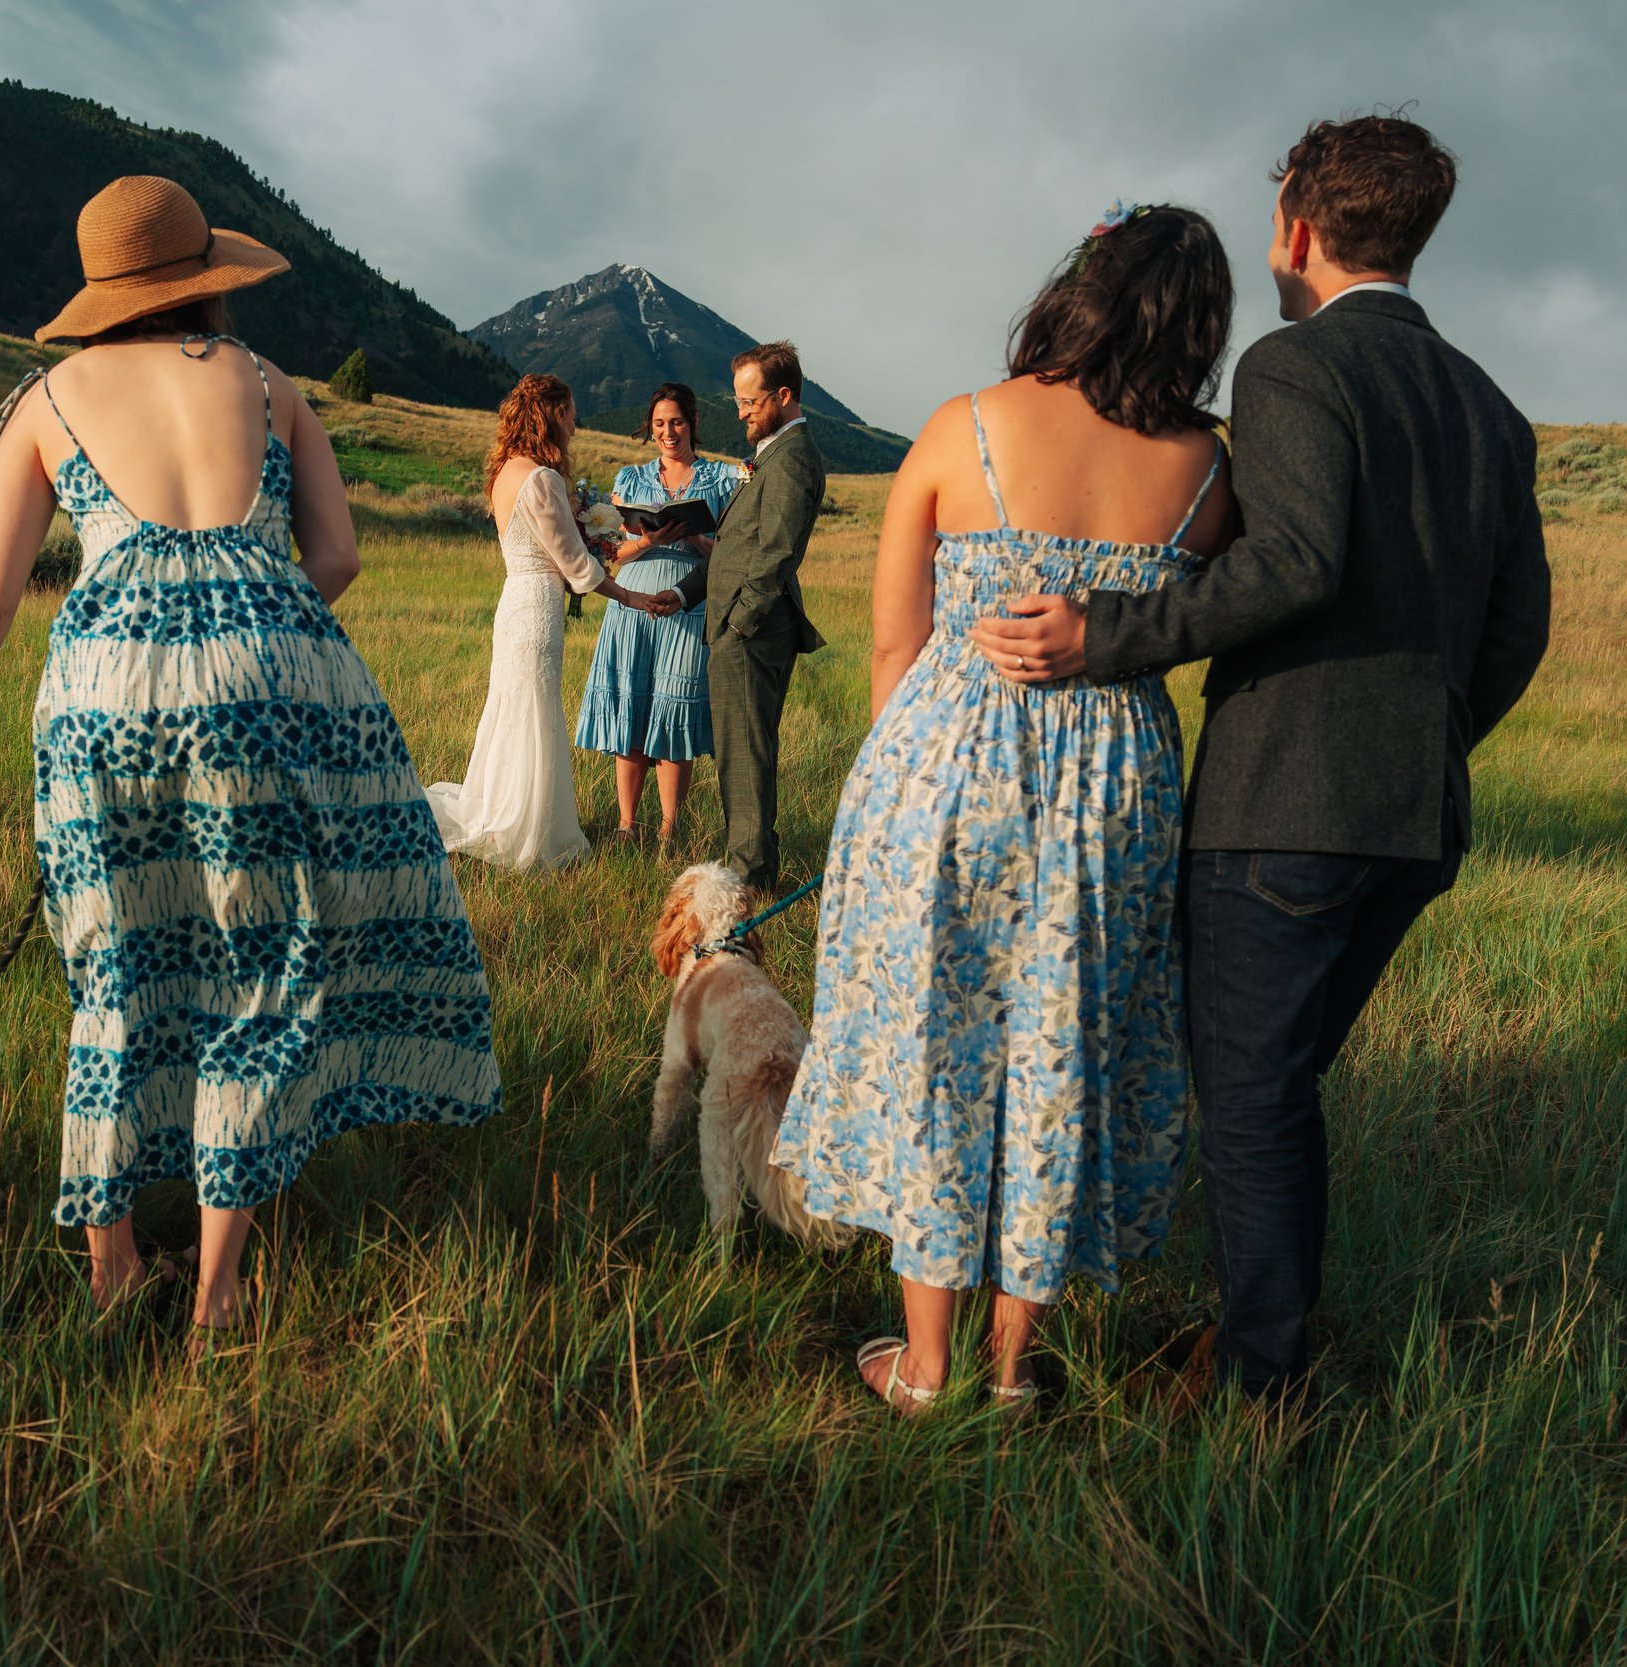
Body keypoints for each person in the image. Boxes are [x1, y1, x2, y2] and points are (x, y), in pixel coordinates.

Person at [0, 177, 504, 1347]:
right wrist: (250, 624)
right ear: (207, 280)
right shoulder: (267, 383)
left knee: (117, 973)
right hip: (266, 685)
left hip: (103, 704)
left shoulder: (46, 397)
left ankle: (116, 1266)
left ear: (101, 293)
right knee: (261, 972)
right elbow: (335, 555)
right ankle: (220, 1289)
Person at [972, 117, 1552, 1407]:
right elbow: (1519, 630)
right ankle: (1248, 1339)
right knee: (1273, 1089)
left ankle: (1257, 1386)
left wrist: (1102, 638)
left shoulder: (1294, 367)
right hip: (1415, 821)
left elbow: (1291, 564)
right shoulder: (1492, 410)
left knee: (1249, 1100)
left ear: (1297, 226)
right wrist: (1432, 742)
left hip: (1280, 810)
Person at [770, 204, 1238, 1413]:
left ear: (1078, 288)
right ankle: (1010, 1364)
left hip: (943, 766)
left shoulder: (961, 424)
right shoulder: (1206, 471)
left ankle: (922, 1366)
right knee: (1061, 1046)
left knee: (933, 1038)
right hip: (1114, 790)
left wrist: (901, 787)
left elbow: (892, 637)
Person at [424, 374, 669, 869]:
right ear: (553, 414)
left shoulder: (505, 474)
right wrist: (630, 595)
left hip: (514, 599)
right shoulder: (542, 478)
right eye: (572, 414)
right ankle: (530, 832)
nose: (576, 427)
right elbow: (575, 565)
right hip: (537, 607)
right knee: (534, 710)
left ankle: (504, 806)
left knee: (513, 707)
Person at [657, 343, 826, 892]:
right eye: (737, 401)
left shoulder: (793, 457)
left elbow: (777, 552)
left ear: (783, 395)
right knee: (740, 752)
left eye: (750, 402)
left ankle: (749, 880)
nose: (741, 412)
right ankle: (754, 865)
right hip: (737, 625)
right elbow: (735, 548)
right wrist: (683, 595)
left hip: (751, 633)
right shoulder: (773, 454)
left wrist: (737, 623)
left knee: (746, 755)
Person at [571, 383, 746, 850]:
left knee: (673, 709)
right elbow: (609, 553)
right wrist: (647, 541)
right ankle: (627, 825)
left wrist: (691, 539)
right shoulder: (629, 480)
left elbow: (732, 553)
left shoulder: (721, 481)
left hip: (688, 606)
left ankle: (670, 829)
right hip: (633, 605)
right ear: (650, 429)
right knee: (632, 703)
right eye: (659, 425)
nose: (668, 432)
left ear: (692, 423)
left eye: (676, 422)